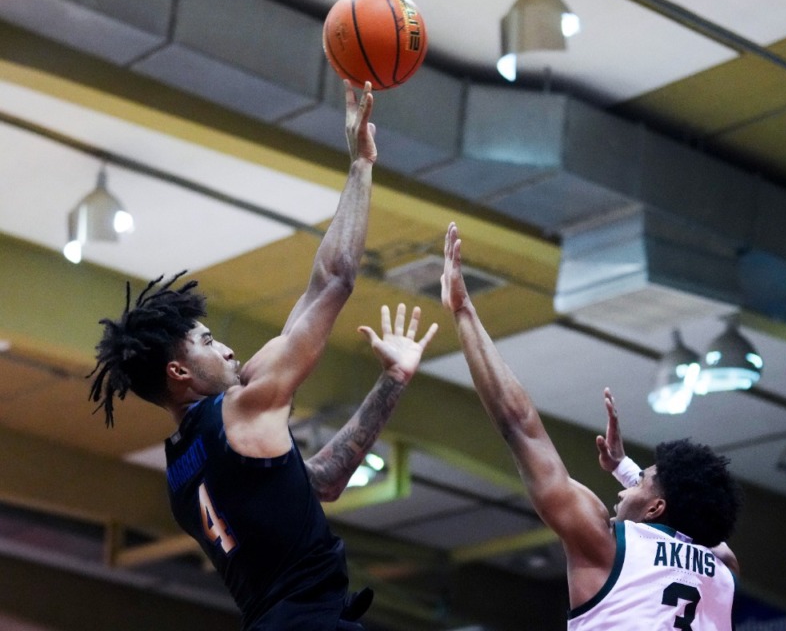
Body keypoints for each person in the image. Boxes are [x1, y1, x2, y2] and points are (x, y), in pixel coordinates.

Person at [88, 80, 438, 630]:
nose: (226, 347)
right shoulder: (241, 411)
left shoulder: (181, 472)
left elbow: (321, 483)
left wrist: (392, 379)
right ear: (178, 372)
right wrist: (360, 165)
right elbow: (334, 281)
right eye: (205, 343)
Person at [440, 221, 742, 630]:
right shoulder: (723, 573)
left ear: (657, 507)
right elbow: (711, 538)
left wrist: (463, 312)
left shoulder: (606, 545)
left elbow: (520, 426)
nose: (625, 487)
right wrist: (631, 471)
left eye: (638, 482)